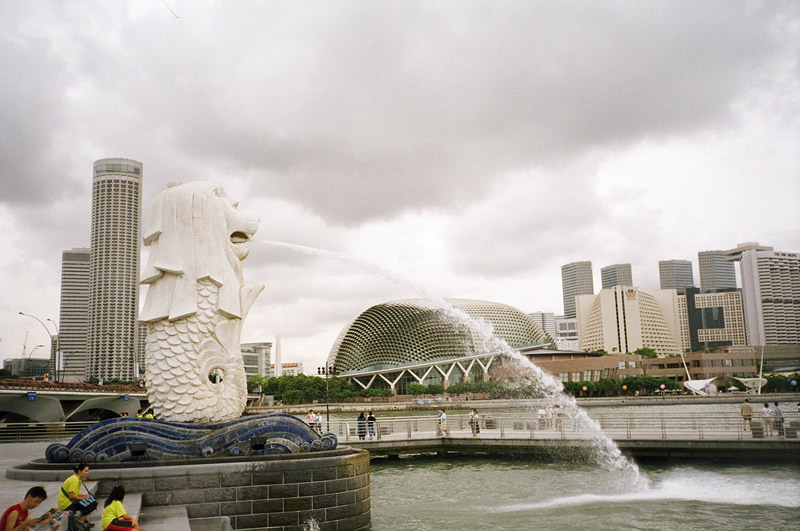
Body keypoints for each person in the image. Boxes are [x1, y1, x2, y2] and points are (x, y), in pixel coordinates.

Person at [57, 463, 96, 530]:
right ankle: (80, 523)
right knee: (90, 505)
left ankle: (81, 521)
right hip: (66, 504)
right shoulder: (74, 480)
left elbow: (75, 493)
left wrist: (85, 496)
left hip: (68, 502)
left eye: (88, 471)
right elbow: (71, 496)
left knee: (90, 502)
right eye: (85, 471)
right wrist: (83, 498)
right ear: (79, 471)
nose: (87, 473)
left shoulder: (77, 478)